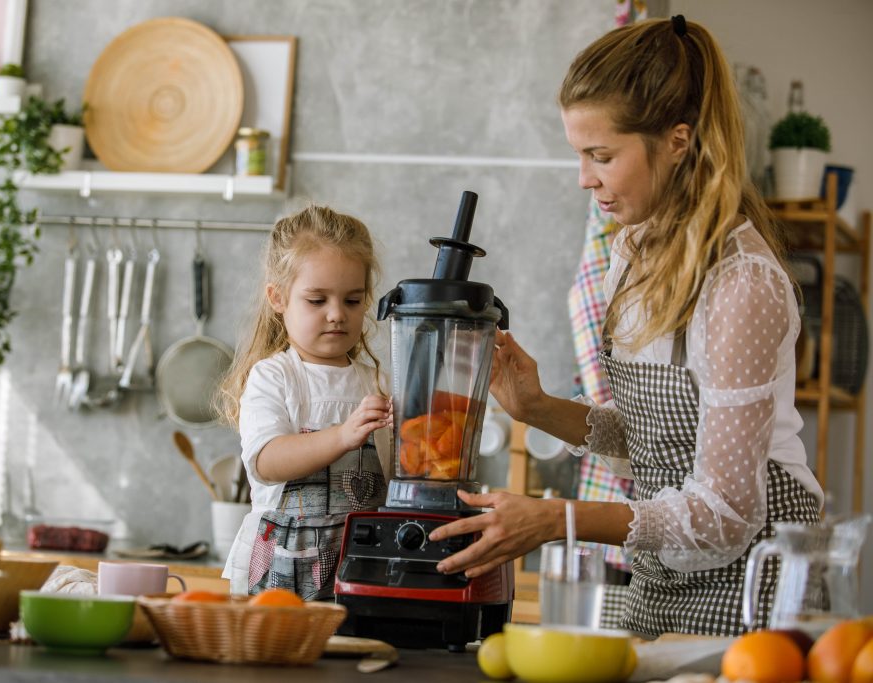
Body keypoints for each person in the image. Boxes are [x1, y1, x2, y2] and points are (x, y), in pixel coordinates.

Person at [429, 16, 823, 637]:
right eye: (580, 154)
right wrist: (537, 406)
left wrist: (557, 517)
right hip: (660, 586)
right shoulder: (633, 253)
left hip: (753, 593)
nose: (585, 178)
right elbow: (657, 436)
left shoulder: (741, 283)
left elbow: (725, 514)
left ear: (677, 140)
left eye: (601, 155)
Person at [215, 204, 393, 599]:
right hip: (281, 568)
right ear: (278, 298)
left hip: (358, 564)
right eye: (317, 300)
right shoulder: (274, 377)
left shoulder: (374, 381)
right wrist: (343, 435)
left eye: (352, 300)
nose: (337, 315)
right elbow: (266, 462)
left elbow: (393, 476)